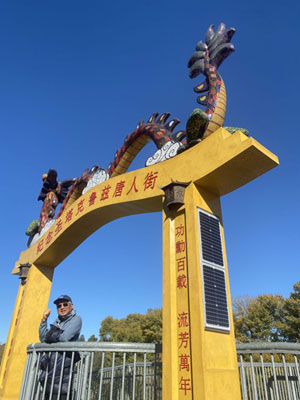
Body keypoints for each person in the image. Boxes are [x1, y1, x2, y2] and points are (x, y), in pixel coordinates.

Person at [39, 295, 82, 400]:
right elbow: (43, 338)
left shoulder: (77, 319)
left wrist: (51, 335)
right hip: (49, 369)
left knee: (61, 395)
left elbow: (65, 338)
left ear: (71, 305)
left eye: (65, 304)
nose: (62, 307)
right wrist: (44, 320)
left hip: (63, 368)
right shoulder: (56, 321)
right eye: (59, 306)